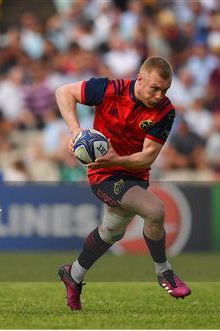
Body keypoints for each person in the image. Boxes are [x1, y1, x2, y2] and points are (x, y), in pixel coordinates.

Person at [55, 57, 191, 311]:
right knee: (155, 210)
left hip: (135, 175)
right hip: (103, 175)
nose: (160, 95)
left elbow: (148, 157)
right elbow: (64, 92)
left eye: (165, 90)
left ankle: (72, 274)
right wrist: (76, 132)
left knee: (112, 231)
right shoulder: (109, 89)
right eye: (155, 88)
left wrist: (118, 158)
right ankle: (164, 272)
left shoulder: (165, 111)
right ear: (139, 79)